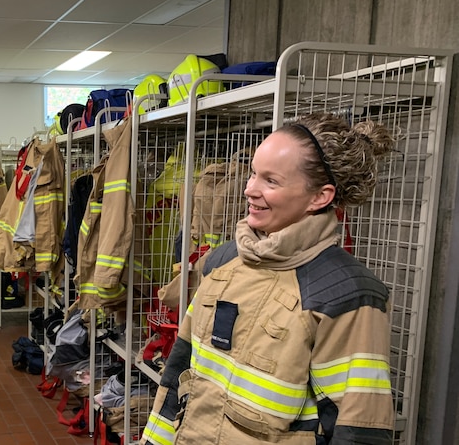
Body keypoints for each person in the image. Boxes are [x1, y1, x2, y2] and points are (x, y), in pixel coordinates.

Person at [141, 113, 396, 444]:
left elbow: (358, 430)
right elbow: (179, 373)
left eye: (271, 181)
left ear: (321, 196)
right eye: (253, 174)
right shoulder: (220, 262)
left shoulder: (347, 294)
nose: (249, 189)